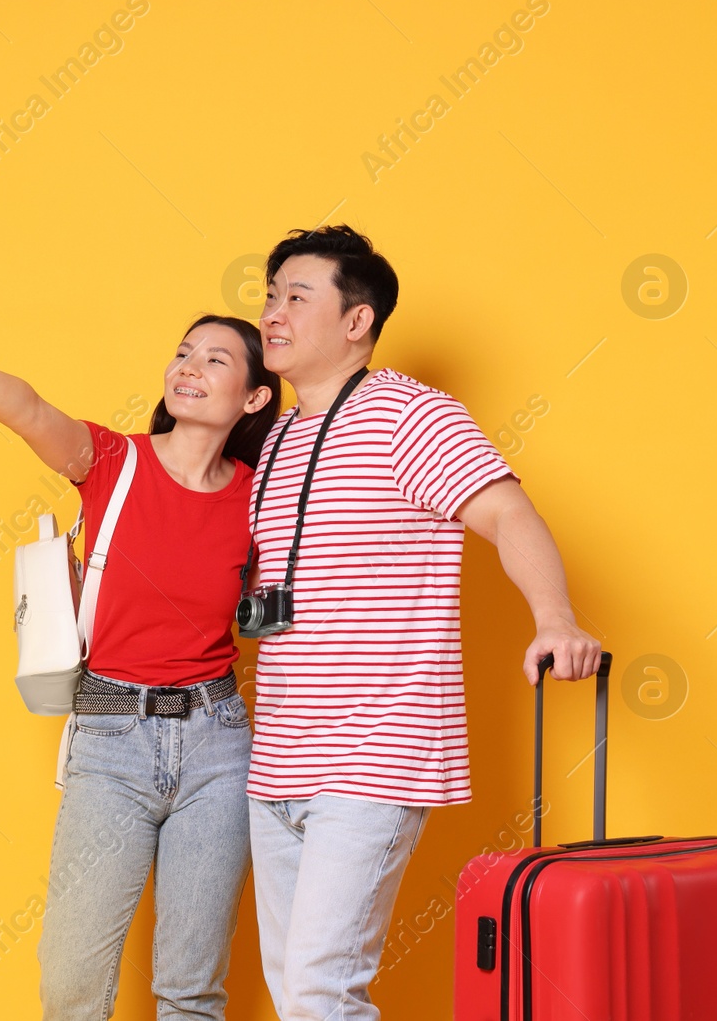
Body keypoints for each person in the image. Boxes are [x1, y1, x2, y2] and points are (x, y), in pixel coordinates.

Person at [243, 226, 603, 1020]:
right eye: (269, 295)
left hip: (376, 748)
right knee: (294, 991)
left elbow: (508, 514)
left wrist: (556, 619)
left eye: (296, 297)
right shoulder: (273, 440)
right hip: (276, 760)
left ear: (356, 321)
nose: (272, 312)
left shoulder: (412, 414)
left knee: (318, 988)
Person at [0, 294, 278, 1020]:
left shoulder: (260, 498)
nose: (189, 368)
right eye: (184, 352)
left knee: (192, 989)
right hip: (111, 734)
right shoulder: (114, 460)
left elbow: (279, 604)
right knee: (71, 983)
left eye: (215, 359)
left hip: (220, 743)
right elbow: (30, 409)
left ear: (254, 396)